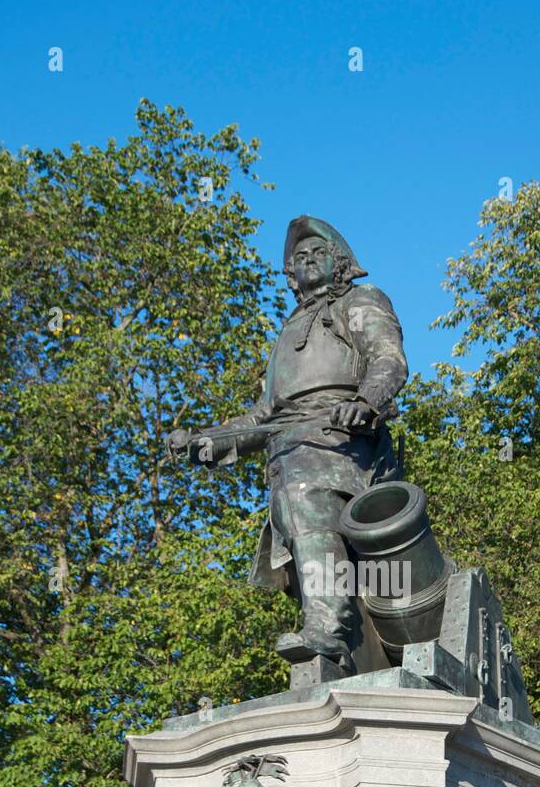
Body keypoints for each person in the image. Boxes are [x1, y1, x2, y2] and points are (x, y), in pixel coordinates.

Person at [169, 216, 408, 671]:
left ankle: (326, 625)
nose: (308, 260)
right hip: (289, 452)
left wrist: (366, 402)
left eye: (318, 253)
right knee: (295, 498)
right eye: (299, 258)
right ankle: (329, 620)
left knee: (305, 495)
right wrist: (204, 442)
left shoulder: (360, 302)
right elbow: (263, 418)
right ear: (289, 274)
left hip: (345, 444)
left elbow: (388, 359)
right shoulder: (285, 333)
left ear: (340, 263)